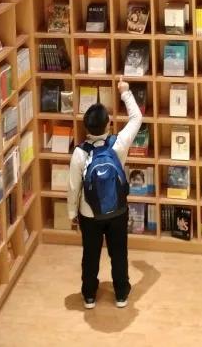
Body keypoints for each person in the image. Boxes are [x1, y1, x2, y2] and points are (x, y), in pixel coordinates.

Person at [68, 78, 142, 309]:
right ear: (109, 124)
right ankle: (121, 294)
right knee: (118, 253)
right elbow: (136, 118)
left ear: (86, 128)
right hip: (117, 210)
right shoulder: (118, 144)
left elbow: (73, 188)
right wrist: (125, 92)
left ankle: (89, 295)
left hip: (89, 215)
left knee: (90, 255)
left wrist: (72, 214)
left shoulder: (79, 154)